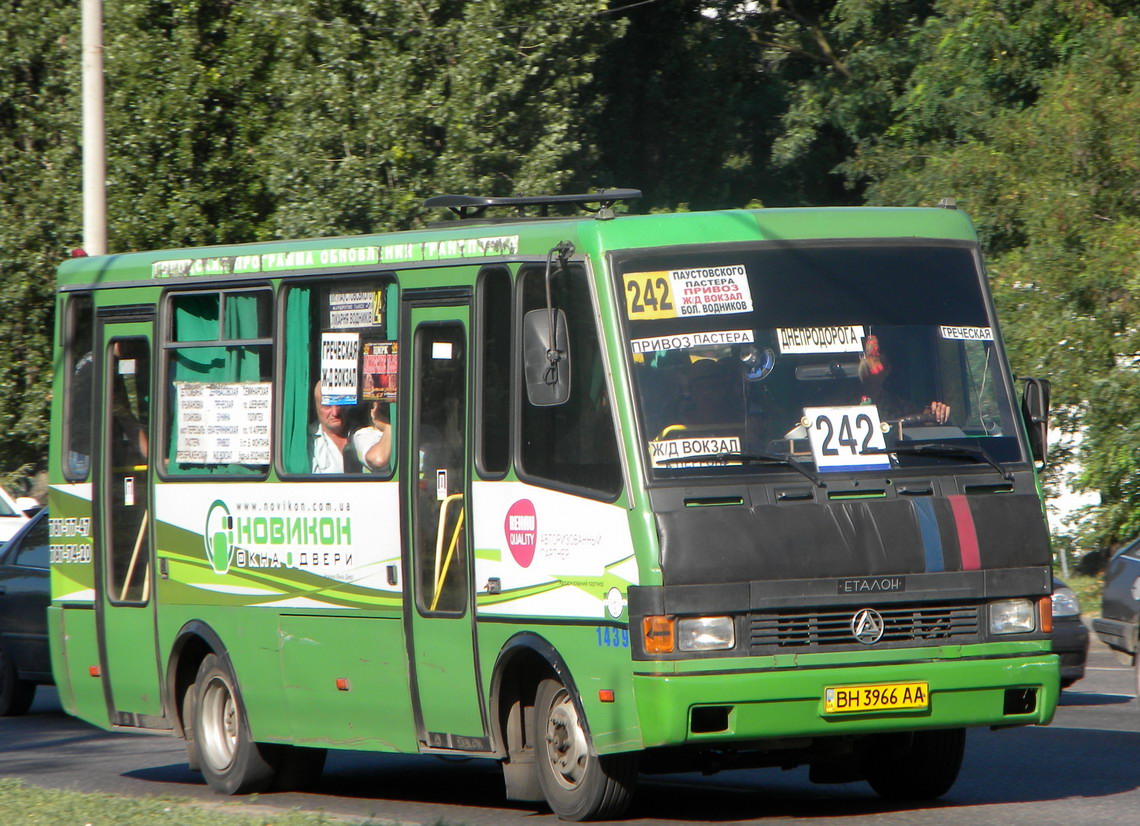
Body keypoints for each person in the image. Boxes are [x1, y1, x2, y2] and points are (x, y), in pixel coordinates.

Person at [858, 334, 950, 424]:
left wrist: (938, 412)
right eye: (864, 357)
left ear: (888, 369)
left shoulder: (896, 405)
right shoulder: (845, 399)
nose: (868, 365)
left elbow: (923, 417)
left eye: (876, 359)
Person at [310, 382, 360, 473]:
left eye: (339, 403)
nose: (335, 412)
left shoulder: (362, 430)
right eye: (327, 405)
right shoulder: (309, 441)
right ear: (315, 408)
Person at [352, 401, 392, 472]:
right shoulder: (363, 434)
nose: (375, 411)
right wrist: (389, 427)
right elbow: (379, 460)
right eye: (374, 407)